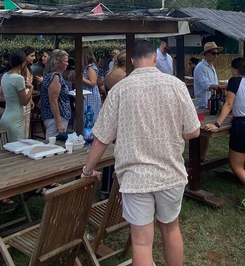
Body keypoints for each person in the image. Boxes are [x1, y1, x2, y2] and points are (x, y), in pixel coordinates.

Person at [81, 40, 200, 266]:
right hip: (170, 173)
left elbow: (101, 139)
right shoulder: (176, 85)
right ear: (155, 58)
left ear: (133, 61)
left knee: (142, 242)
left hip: (135, 178)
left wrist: (87, 170)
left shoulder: (119, 90)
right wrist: (171, 133)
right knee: (171, 228)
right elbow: (193, 131)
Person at [203, 57, 245, 214]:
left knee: (236, 166)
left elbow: (228, 104)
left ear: (235, 69)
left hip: (243, 126)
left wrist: (217, 124)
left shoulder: (235, 81)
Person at [194, 41, 223, 161]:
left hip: (210, 102)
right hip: (203, 103)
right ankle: (199, 156)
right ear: (206, 54)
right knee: (202, 132)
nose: (215, 56)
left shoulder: (211, 67)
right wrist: (223, 86)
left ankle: (202, 156)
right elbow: (207, 85)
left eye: (217, 53)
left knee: (206, 131)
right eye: (213, 53)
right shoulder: (201, 67)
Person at [0, 50, 33, 141]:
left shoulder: (5, 76)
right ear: (23, 62)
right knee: (18, 147)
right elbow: (24, 102)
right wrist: (31, 88)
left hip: (6, 116)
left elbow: (0, 97)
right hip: (15, 119)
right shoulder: (19, 78)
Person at [39, 49, 72, 139]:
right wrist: (59, 122)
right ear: (58, 62)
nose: (67, 64)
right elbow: (53, 101)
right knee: (54, 144)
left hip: (54, 117)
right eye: (65, 61)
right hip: (56, 118)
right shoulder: (55, 77)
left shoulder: (49, 75)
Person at [81, 46, 102, 120]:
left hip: (90, 94)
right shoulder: (86, 67)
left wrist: (81, 78)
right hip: (86, 93)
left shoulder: (90, 67)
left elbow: (93, 82)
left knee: (90, 115)